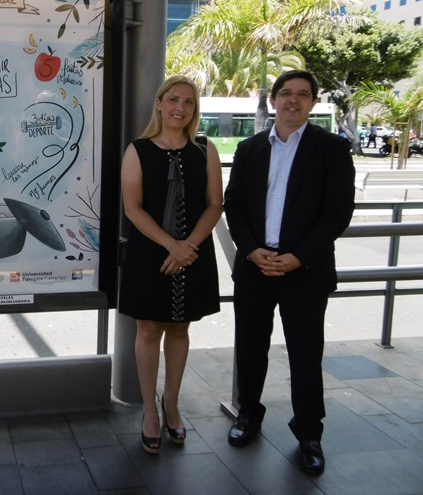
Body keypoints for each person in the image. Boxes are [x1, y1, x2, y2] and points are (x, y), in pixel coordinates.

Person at [223, 70, 355, 476]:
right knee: (249, 348)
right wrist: (251, 250)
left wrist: (299, 257)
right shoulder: (249, 148)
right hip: (256, 268)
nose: (292, 100)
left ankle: (309, 434)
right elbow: (235, 204)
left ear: (313, 102)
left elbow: (338, 212)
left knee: (305, 355)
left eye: (302, 94)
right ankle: (248, 415)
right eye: (286, 93)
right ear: (274, 99)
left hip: (304, 271)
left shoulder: (332, 148)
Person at [118, 75, 223, 455]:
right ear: (159, 104)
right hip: (151, 253)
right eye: (174, 99)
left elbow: (215, 204)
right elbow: (133, 209)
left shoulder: (205, 149)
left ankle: (172, 405)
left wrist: (188, 245)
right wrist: (171, 246)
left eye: (189, 102)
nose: (181, 107)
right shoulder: (138, 149)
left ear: (195, 110)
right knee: (148, 331)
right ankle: (150, 411)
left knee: (179, 330)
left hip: (193, 251)